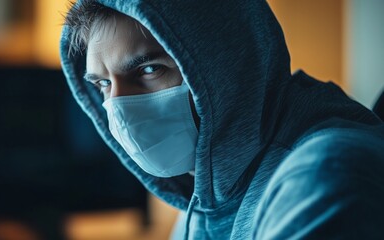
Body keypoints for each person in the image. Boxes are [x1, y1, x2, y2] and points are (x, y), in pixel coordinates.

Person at [59, 0, 384, 239]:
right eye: (103, 84)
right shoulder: (204, 200)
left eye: (149, 69)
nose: (117, 105)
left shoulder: (325, 175)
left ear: (221, 67)